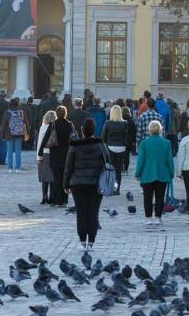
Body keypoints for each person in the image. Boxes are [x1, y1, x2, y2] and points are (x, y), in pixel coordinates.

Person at [64, 118, 108, 250]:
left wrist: (65, 184)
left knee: (81, 212)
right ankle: (92, 241)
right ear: (94, 130)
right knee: (93, 212)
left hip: (78, 183)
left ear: (82, 131)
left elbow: (68, 166)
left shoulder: (74, 146)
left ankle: (82, 239)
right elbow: (107, 163)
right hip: (96, 184)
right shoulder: (100, 145)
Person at [135, 120, 174, 226]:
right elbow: (169, 160)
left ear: (149, 130)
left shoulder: (144, 143)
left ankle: (148, 218)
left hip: (147, 174)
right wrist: (172, 172)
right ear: (160, 130)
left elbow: (141, 161)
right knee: (160, 197)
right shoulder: (167, 143)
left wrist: (137, 173)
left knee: (147, 197)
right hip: (162, 173)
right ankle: (158, 217)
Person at [101, 105, 132, 194]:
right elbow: (127, 136)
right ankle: (117, 189)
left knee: (111, 169)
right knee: (118, 169)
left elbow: (103, 136)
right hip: (121, 147)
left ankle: (111, 187)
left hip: (110, 147)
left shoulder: (108, 123)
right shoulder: (125, 123)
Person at [47, 106, 73, 206]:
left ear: (57, 114)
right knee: (65, 178)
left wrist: (40, 152)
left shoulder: (53, 124)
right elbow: (73, 139)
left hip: (55, 154)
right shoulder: (69, 124)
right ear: (65, 113)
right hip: (66, 154)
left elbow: (46, 139)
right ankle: (65, 200)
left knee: (56, 179)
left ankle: (56, 200)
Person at [35, 110, 58, 204]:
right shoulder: (55, 127)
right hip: (53, 153)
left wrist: (38, 156)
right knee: (52, 177)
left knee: (44, 177)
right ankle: (52, 196)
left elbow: (40, 142)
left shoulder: (43, 127)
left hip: (43, 153)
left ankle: (44, 196)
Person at [0, 97, 28, 173]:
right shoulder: (21, 112)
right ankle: (18, 168)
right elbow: (25, 123)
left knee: (9, 151)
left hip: (9, 135)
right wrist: (26, 134)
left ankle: (10, 168)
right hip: (19, 134)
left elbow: (4, 125)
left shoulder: (6, 112)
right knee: (18, 151)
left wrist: (2, 136)